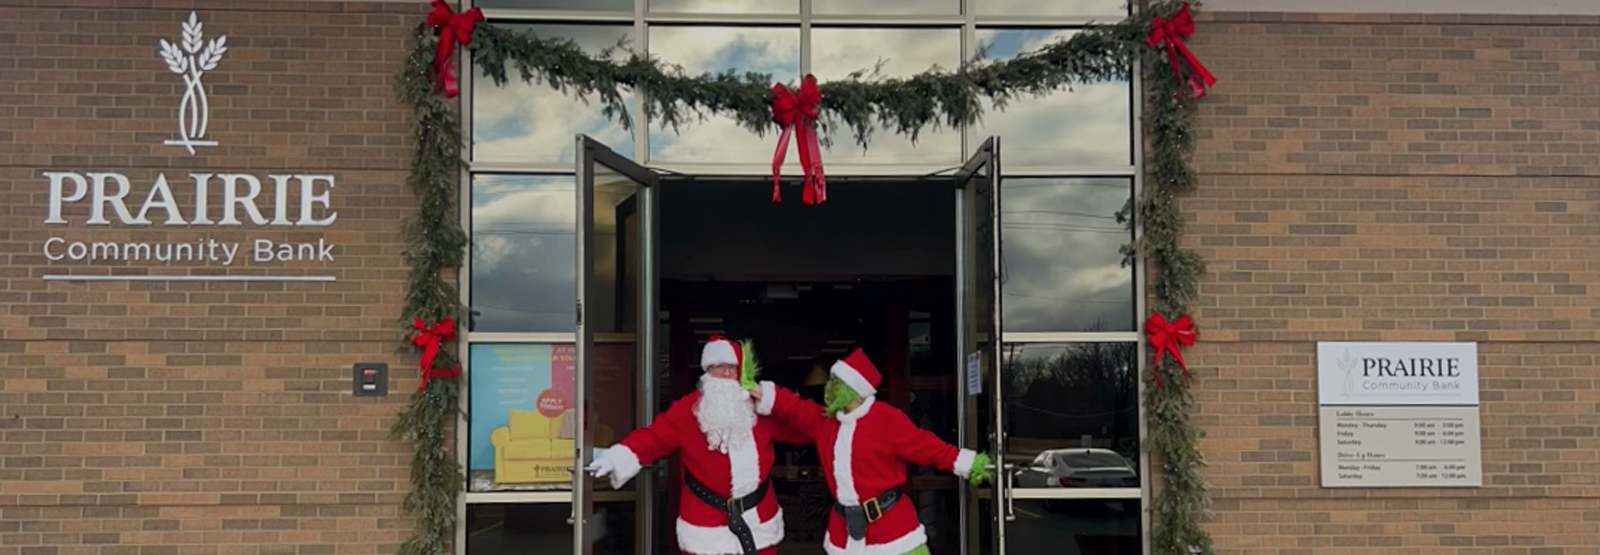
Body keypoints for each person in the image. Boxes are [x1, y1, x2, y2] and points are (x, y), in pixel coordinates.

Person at [750, 348, 993, 555]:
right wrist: (763, 393)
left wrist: (966, 462)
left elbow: (926, 446)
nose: (828, 387)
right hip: (844, 530)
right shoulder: (825, 421)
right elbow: (796, 408)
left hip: (891, 529)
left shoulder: (886, 419)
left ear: (852, 389)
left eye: (835, 382)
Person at [586, 336, 808, 555]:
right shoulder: (688, 410)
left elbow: (807, 430)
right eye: (718, 367)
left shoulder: (760, 409)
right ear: (707, 371)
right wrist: (617, 457)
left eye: (731, 367)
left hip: (759, 520)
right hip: (705, 525)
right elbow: (654, 438)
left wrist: (780, 400)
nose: (725, 373)